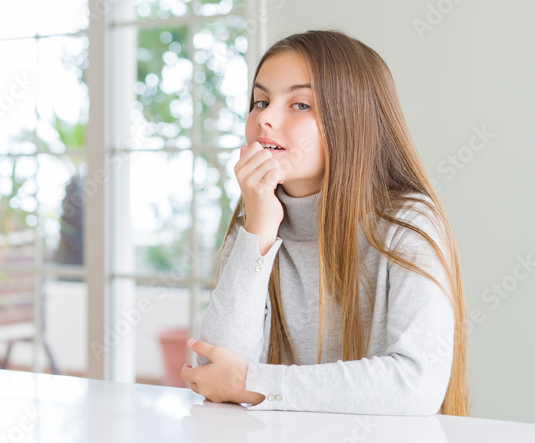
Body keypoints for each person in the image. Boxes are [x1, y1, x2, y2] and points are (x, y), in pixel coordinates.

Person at [179, 30, 469, 416]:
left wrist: (253, 383)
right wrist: (259, 230)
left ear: (354, 121)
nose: (265, 117)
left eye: (299, 104)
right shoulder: (257, 221)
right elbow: (217, 369)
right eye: (260, 101)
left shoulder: (407, 222)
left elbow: (414, 384)